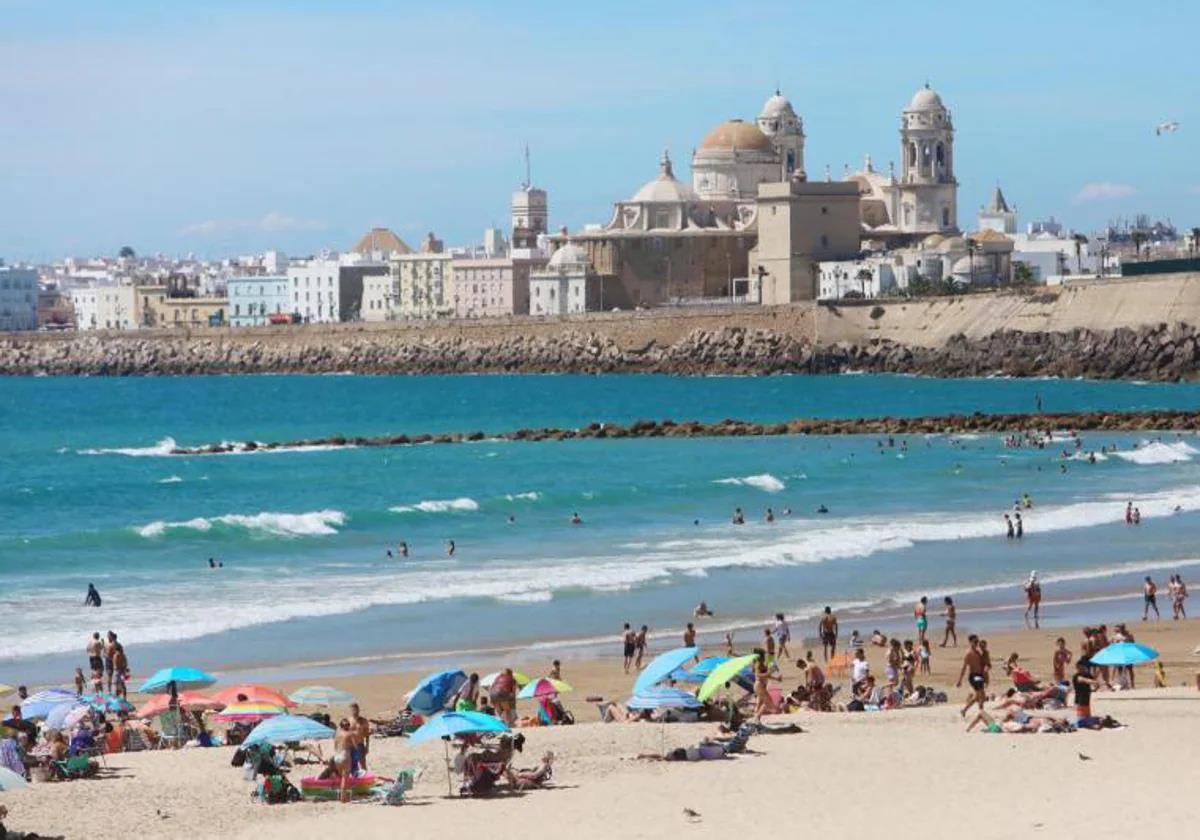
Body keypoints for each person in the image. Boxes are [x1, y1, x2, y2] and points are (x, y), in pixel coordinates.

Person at [956, 635, 987, 718]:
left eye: (977, 642)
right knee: (979, 694)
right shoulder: (968, 653)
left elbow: (983, 664)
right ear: (970, 642)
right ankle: (981, 711)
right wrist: (960, 680)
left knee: (981, 695)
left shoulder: (978, 652)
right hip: (973, 676)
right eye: (975, 642)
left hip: (979, 675)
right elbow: (964, 667)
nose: (976, 643)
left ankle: (965, 710)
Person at [332, 719, 355, 802]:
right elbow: (354, 746)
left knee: (341, 777)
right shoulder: (349, 734)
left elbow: (335, 746)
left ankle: (343, 796)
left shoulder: (336, 735)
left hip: (336, 756)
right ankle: (343, 798)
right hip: (345, 755)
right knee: (345, 778)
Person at [349, 702, 371, 773]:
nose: (355, 711)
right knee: (351, 763)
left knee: (362, 763)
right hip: (350, 745)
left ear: (359, 710)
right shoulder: (349, 721)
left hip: (359, 744)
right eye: (353, 710)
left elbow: (367, 734)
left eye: (356, 709)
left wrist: (367, 746)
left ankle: (365, 777)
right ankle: (353, 778)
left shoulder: (363, 721)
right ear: (351, 710)